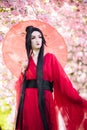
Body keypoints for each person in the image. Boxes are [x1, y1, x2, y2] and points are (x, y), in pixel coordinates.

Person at [15, 25, 87, 130]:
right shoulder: (26, 63)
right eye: (33, 38)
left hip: (45, 98)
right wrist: (22, 73)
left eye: (39, 37)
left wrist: (78, 100)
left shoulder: (50, 58)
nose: (37, 40)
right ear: (29, 42)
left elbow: (63, 83)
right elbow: (19, 86)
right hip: (28, 100)